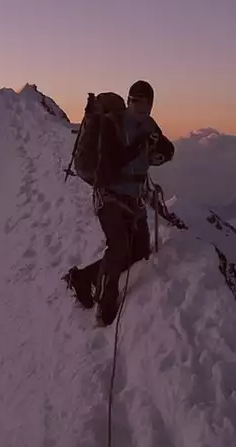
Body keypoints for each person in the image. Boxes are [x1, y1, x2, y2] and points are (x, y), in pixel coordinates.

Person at [64, 80, 175, 326]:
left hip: (134, 197)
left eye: (145, 103)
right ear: (128, 100)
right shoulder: (111, 123)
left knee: (138, 252)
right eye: (136, 102)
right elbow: (109, 164)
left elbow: (167, 148)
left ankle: (83, 278)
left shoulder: (149, 124)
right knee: (119, 248)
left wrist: (162, 151)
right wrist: (139, 146)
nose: (140, 108)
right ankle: (104, 304)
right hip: (110, 195)